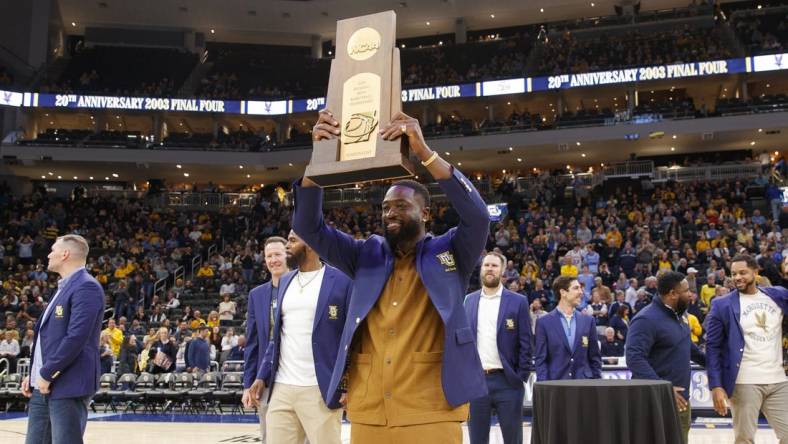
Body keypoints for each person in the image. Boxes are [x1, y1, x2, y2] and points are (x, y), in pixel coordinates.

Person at [294, 109, 489, 442]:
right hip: (370, 408)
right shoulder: (364, 254)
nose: (390, 213)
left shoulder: (451, 251)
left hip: (432, 407)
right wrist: (319, 159)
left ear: (425, 213)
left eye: (401, 206)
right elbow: (307, 227)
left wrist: (425, 154)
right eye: (385, 207)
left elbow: (479, 216)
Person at [261, 230, 352, 444]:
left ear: (310, 244)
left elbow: (351, 339)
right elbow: (277, 337)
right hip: (282, 387)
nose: (286, 246)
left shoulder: (342, 280)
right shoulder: (285, 281)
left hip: (320, 389)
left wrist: (348, 385)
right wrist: (260, 376)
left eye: (292, 241)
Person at [22, 234, 104, 444]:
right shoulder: (64, 288)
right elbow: (49, 338)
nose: (48, 255)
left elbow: (76, 337)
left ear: (65, 254)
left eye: (52, 250)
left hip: (68, 382)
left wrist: (47, 372)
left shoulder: (87, 286)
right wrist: (34, 373)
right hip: (44, 382)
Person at [705, 254, 788, 443]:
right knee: (745, 439)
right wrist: (716, 385)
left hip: (778, 379)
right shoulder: (721, 304)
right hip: (744, 381)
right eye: (733, 273)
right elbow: (713, 347)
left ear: (755, 272)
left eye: (743, 272)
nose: (737, 277)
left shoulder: (778, 296)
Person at [625, 271, 707, 444]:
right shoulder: (645, 319)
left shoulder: (680, 315)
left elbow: (687, 347)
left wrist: (716, 364)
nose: (691, 294)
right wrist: (664, 388)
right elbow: (634, 358)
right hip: (653, 400)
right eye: (686, 290)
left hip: (680, 401)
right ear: (672, 294)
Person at [464, 252, 532, 444]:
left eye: (494, 266)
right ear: (481, 270)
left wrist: (521, 377)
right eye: (486, 266)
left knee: (513, 439)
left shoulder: (518, 301)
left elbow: (526, 342)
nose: (490, 269)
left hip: (507, 382)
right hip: (477, 383)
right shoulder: (469, 300)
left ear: (502, 270)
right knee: (477, 439)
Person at [244, 236, 290, 442]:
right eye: (269, 256)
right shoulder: (257, 295)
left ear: (288, 255)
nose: (273, 260)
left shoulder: (303, 287)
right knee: (269, 436)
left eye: (277, 254)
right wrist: (248, 384)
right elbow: (252, 343)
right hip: (267, 379)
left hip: (299, 375)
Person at [534, 276, 602, 381]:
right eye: (576, 288)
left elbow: (595, 358)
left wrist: (597, 383)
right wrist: (545, 386)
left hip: (584, 386)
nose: (581, 292)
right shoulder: (544, 322)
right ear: (563, 292)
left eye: (580, 288)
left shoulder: (588, 321)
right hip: (556, 386)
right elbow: (541, 360)